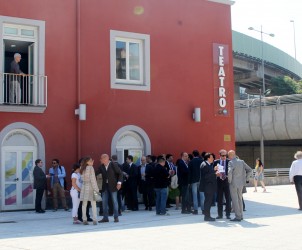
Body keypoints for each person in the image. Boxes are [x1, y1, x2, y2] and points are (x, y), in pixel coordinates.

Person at [228, 150, 252, 222]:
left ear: (231, 155)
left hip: (233, 184)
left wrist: (229, 181)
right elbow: (250, 170)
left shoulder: (231, 162)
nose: (228, 157)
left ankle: (238, 216)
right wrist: (246, 179)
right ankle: (241, 215)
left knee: (235, 200)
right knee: (240, 199)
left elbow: (229, 172)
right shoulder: (241, 161)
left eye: (228, 156)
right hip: (241, 183)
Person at [98, 154, 123, 223]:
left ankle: (116, 217)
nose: (100, 160)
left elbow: (120, 173)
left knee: (115, 201)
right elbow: (96, 174)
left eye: (101, 158)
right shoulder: (101, 166)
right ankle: (105, 218)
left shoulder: (113, 165)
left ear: (106, 159)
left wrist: (119, 183)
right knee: (104, 202)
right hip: (104, 187)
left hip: (113, 186)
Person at [80, 156, 99, 225]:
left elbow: (82, 179)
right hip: (90, 187)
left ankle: (84, 219)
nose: (92, 162)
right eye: (91, 161)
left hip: (84, 187)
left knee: (84, 204)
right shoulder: (91, 168)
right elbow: (93, 179)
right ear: (87, 162)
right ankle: (95, 220)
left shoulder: (81, 168)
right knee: (93, 204)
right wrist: (96, 189)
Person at [199, 153, 218, 221]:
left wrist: (214, 170)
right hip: (208, 186)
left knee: (208, 201)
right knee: (208, 202)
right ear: (208, 158)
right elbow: (206, 176)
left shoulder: (207, 164)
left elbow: (209, 173)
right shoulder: (205, 165)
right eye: (212, 158)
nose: (213, 159)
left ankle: (207, 216)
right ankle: (207, 217)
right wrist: (215, 173)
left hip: (209, 186)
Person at [213, 149, 231, 219]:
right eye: (223, 155)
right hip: (219, 182)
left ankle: (228, 214)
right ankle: (220, 215)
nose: (224, 157)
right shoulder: (216, 162)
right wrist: (215, 173)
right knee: (219, 199)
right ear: (220, 155)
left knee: (228, 199)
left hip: (227, 182)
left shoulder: (229, 162)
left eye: (225, 155)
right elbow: (213, 171)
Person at [188, 150, 203, 215]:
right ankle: (203, 209)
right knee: (202, 195)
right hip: (201, 180)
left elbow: (189, 172)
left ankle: (196, 209)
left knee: (194, 195)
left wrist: (189, 181)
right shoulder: (201, 161)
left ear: (193, 154)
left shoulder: (191, 162)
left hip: (193, 180)